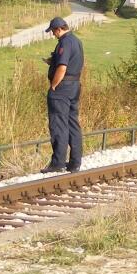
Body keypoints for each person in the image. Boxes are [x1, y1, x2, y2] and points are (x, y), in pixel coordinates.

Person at [40, 17, 85, 174]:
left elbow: (63, 67)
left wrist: (54, 85)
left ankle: (58, 163)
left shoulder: (65, 42)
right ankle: (75, 162)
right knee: (73, 123)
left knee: (59, 125)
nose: (53, 35)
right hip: (74, 86)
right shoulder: (77, 41)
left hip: (62, 88)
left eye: (53, 31)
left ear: (59, 29)